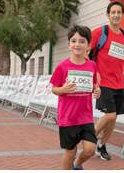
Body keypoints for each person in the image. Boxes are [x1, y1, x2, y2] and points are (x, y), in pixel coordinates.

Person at [89, 0, 124, 160]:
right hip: (102, 81)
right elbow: (88, 53)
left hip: (119, 82)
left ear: (123, 15)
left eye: (119, 12)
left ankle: (101, 145)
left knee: (113, 119)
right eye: (113, 12)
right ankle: (88, 138)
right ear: (108, 15)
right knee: (110, 115)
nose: (116, 15)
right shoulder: (99, 32)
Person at [50, 25, 101, 170]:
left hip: (86, 117)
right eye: (74, 41)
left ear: (88, 45)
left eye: (82, 41)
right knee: (70, 152)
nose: (77, 44)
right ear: (69, 44)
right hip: (68, 118)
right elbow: (54, 89)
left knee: (90, 149)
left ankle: (77, 165)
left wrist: (97, 92)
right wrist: (63, 89)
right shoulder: (62, 66)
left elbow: (94, 86)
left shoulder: (92, 65)